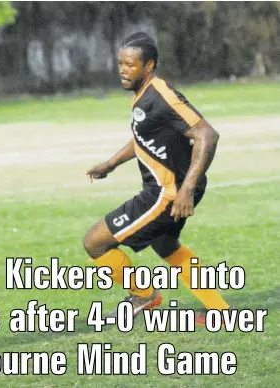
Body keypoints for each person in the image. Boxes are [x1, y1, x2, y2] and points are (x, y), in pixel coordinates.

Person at [84, 32, 229, 324]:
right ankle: (220, 311)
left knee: (95, 242)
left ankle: (143, 296)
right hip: (170, 187)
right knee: (165, 244)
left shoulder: (161, 95)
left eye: (130, 64)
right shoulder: (144, 96)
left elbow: (207, 135)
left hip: (168, 191)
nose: (122, 70)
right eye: (120, 63)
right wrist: (111, 163)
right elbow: (143, 136)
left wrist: (186, 189)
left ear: (148, 66)